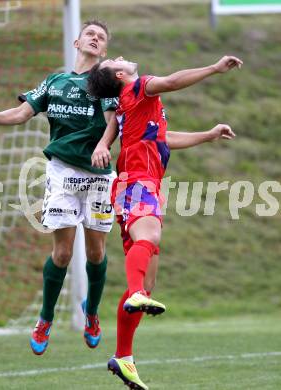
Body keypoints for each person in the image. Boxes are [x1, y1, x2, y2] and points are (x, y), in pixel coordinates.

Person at [0, 20, 119, 355]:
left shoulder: (104, 81)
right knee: (62, 253)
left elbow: (113, 122)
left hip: (98, 176)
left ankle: (91, 312)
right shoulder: (55, 81)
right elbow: (22, 113)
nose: (95, 39)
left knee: (96, 253)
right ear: (77, 42)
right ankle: (45, 319)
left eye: (101, 37)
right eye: (90, 34)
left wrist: (103, 145)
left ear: (104, 50)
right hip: (62, 172)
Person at [88, 54, 242, 389]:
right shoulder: (141, 88)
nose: (121, 56)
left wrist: (209, 134)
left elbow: (164, 139)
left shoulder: (133, 106)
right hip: (137, 181)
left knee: (146, 281)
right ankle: (136, 296)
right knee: (150, 237)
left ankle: (123, 357)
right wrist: (214, 68)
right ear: (120, 73)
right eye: (116, 59)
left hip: (141, 183)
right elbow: (171, 81)